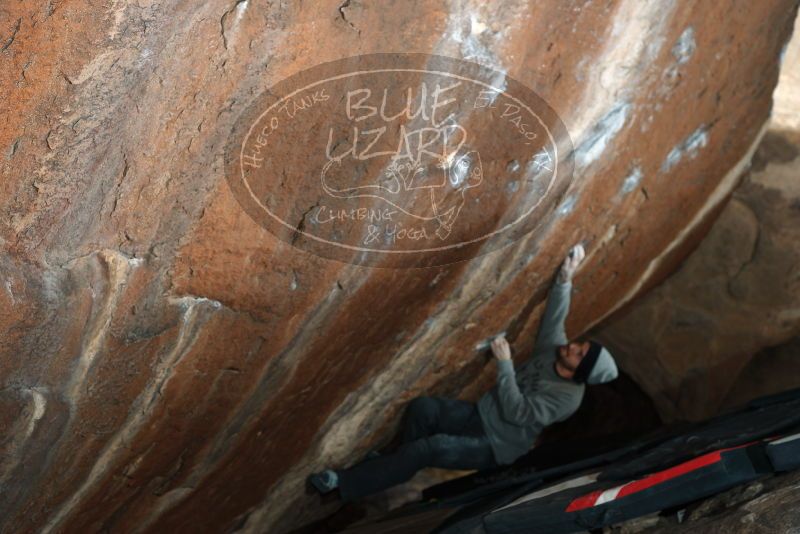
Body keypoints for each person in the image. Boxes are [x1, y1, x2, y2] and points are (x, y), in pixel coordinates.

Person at [307, 244, 618, 502]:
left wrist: (505, 363)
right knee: (423, 409)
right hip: (481, 414)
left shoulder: (567, 399)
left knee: (430, 448)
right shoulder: (555, 351)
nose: (573, 347)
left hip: (496, 444)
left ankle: (342, 485)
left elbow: (517, 412)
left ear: (579, 372)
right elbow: (556, 317)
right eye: (581, 345)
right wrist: (565, 277)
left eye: (580, 354)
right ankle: (392, 467)